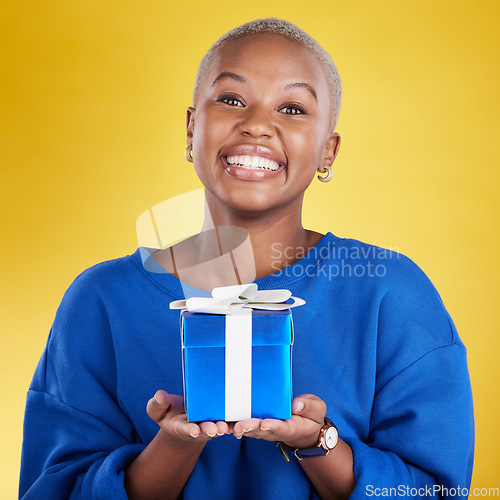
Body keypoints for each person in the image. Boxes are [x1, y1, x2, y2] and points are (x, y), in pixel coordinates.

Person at [20, 18, 474, 500]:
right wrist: (173, 448)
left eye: (293, 107)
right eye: (232, 99)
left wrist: (318, 443)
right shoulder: (100, 302)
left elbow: (436, 492)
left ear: (328, 151)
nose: (257, 124)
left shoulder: (391, 293)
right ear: (193, 126)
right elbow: (54, 489)